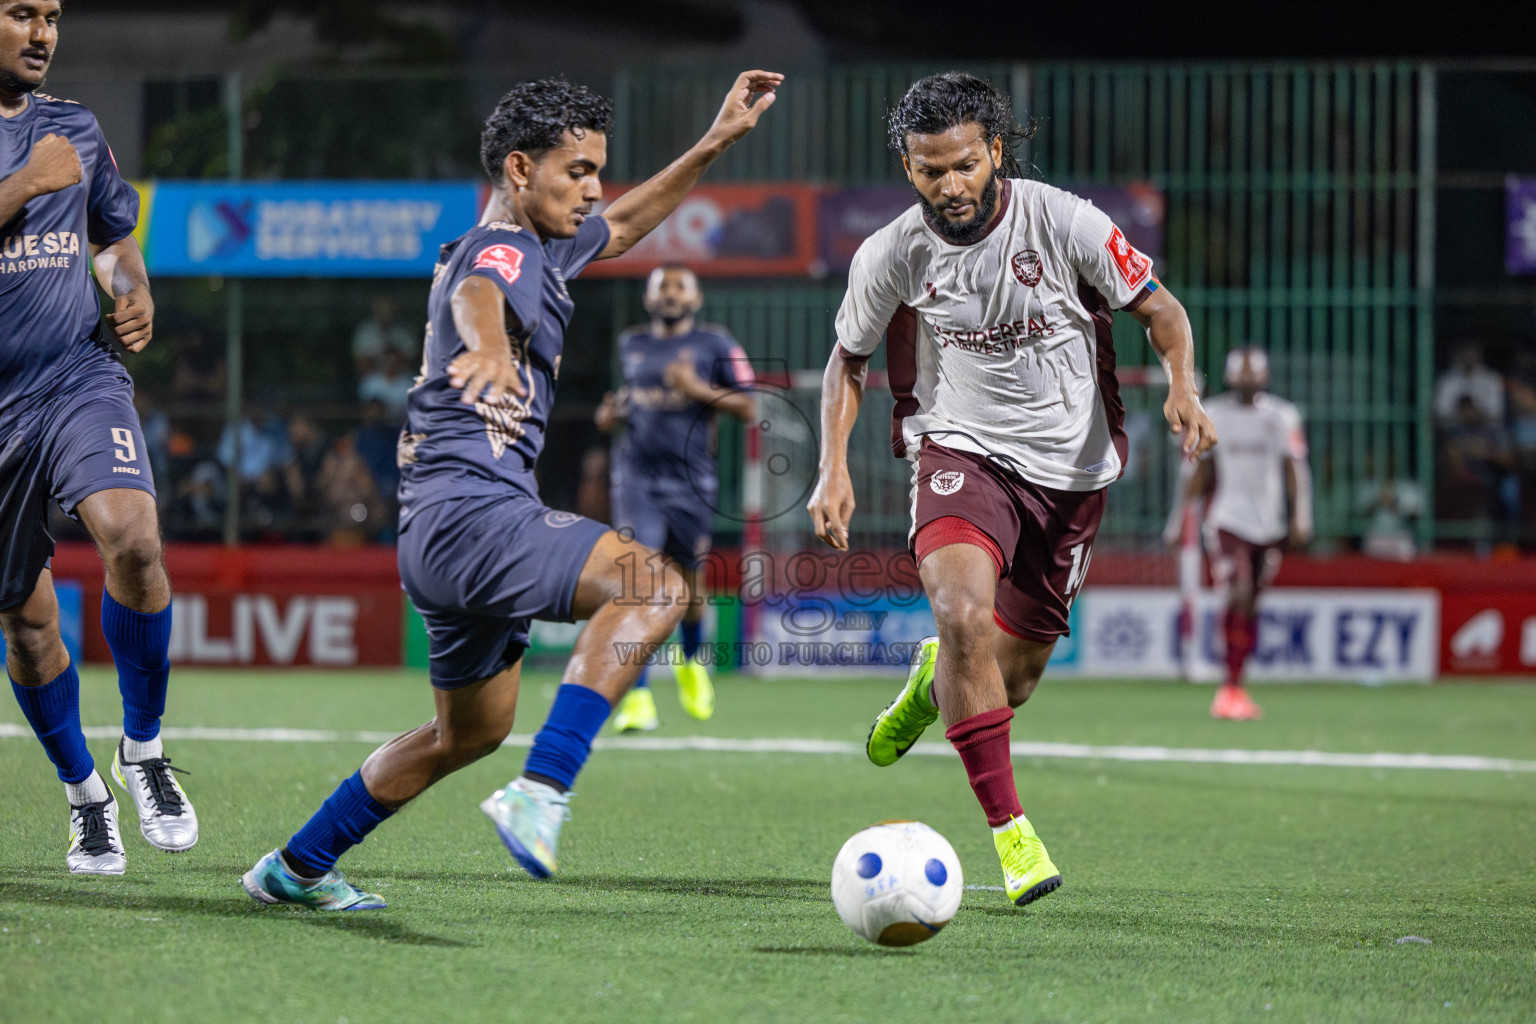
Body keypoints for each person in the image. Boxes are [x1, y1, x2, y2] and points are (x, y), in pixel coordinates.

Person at [242, 71, 783, 910]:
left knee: (469, 732)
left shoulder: (554, 244)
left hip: (440, 528)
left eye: (599, 168)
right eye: (578, 171)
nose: (595, 187)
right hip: (473, 510)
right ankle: (544, 791)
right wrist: (490, 347)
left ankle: (295, 866)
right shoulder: (506, 245)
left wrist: (716, 141)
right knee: (655, 584)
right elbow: (478, 288)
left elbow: (631, 222)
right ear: (520, 170)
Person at [806, 72, 1215, 907]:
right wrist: (832, 465)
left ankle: (933, 683)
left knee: (1013, 675)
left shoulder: (1063, 220)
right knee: (960, 612)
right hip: (961, 447)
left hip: (1073, 470)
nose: (948, 185)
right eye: (929, 170)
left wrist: (1185, 385)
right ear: (909, 167)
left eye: (962, 165)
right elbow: (846, 359)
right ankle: (1010, 833)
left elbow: (1161, 309)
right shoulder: (891, 253)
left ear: (993, 150)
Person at [0, 0, 196, 874]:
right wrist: (24, 187)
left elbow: (113, 237)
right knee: (28, 621)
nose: (42, 33)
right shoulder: (43, 158)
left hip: (77, 379)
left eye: (51, 16)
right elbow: (39, 192)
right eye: (19, 14)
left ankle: (144, 750)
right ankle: (86, 794)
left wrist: (133, 286)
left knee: (134, 538)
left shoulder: (74, 126)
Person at [596, 265, 755, 732]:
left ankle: (690, 661)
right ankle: (638, 696)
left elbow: (750, 405)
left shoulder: (715, 343)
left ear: (696, 297)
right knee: (639, 580)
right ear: (648, 298)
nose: (669, 294)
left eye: (678, 286)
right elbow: (631, 401)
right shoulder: (632, 344)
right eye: (661, 287)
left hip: (691, 480)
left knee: (688, 586)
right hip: (636, 478)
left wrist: (696, 390)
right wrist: (610, 416)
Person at [1182, 348, 1312, 720]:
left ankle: (1237, 685)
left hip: (1269, 524)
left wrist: (1300, 515)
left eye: (1253, 372)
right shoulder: (1215, 414)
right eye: (1241, 373)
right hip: (1226, 520)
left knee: (1251, 601)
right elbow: (1200, 472)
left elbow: (1295, 469)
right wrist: (1181, 519)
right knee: (1238, 592)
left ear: (1265, 376)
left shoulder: (1282, 416)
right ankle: (1229, 688)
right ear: (1229, 376)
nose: (1247, 379)